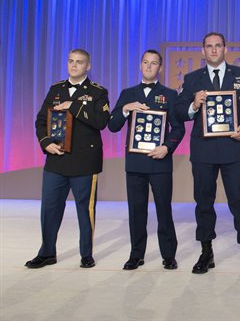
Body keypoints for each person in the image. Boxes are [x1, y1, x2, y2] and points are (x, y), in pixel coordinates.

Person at [174, 32, 240, 276]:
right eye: (209, 46)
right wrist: (193, 104)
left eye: (218, 46)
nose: (213, 50)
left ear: (225, 49)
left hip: (234, 148)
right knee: (203, 202)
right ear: (202, 51)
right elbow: (179, 110)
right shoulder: (192, 79)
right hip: (203, 150)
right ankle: (206, 252)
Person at [26, 49, 110, 269]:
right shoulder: (56, 89)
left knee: (85, 210)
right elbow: (41, 121)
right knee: (50, 208)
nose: (74, 65)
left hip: (84, 161)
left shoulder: (97, 92)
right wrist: (46, 143)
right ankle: (47, 252)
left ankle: (86, 254)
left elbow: (102, 121)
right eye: (71, 61)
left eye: (79, 62)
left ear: (88, 66)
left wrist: (74, 106)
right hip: (56, 160)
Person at [108, 49, 185, 270]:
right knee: (136, 210)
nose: (149, 66)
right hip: (135, 163)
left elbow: (178, 129)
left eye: (153, 63)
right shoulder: (127, 93)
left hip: (160, 162)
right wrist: (124, 109)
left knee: (163, 209)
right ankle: (136, 255)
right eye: (145, 62)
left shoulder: (170, 95)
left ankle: (168, 255)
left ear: (160, 68)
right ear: (140, 65)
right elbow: (112, 126)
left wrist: (167, 147)